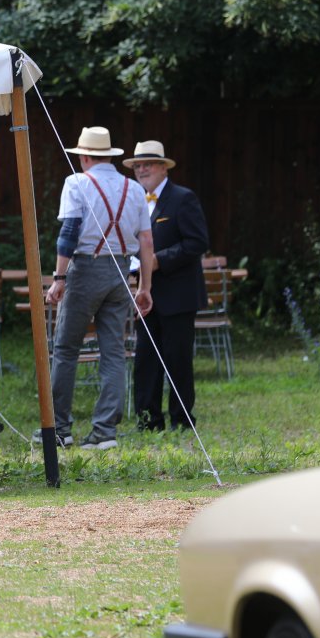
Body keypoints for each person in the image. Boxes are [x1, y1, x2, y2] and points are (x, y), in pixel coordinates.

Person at [41, 127, 154, 451]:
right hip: (121, 270)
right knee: (113, 351)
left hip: (86, 269)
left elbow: (69, 232)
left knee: (66, 349)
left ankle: (60, 429)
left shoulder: (77, 183)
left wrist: (59, 277)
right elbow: (147, 241)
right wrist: (145, 287)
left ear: (85, 157)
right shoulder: (134, 188)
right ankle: (105, 431)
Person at [125, 140, 210, 431]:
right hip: (145, 293)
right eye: (137, 165)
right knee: (146, 359)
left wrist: (159, 260)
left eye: (148, 164)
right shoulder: (136, 201)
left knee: (177, 360)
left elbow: (197, 242)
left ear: (164, 167)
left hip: (178, 294)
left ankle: (182, 420)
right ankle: (148, 421)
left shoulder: (183, 198)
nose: (142, 170)